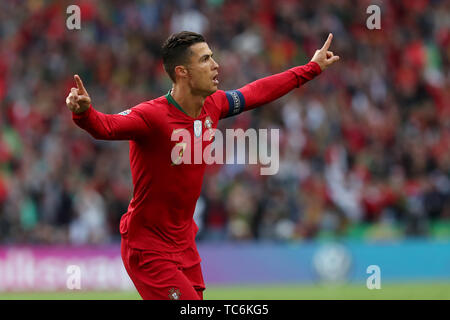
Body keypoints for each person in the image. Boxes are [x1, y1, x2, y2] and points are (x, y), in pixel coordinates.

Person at [65, 30, 339, 300]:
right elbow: (107, 126)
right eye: (205, 59)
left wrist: (311, 68)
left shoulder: (214, 105)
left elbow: (256, 92)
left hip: (184, 243)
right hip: (148, 247)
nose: (215, 65)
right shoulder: (152, 116)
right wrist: (84, 113)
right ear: (183, 71)